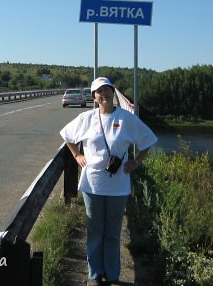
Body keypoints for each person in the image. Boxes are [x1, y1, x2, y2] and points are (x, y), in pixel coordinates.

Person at [60, 77, 157, 286]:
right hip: (92, 184)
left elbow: (148, 139)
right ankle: (94, 274)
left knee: (112, 232)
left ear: (113, 93)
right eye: (99, 91)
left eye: (107, 90)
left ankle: (112, 275)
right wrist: (77, 155)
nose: (103, 94)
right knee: (95, 230)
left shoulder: (126, 119)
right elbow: (67, 135)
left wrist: (137, 162)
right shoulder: (87, 118)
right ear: (94, 96)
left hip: (118, 185)